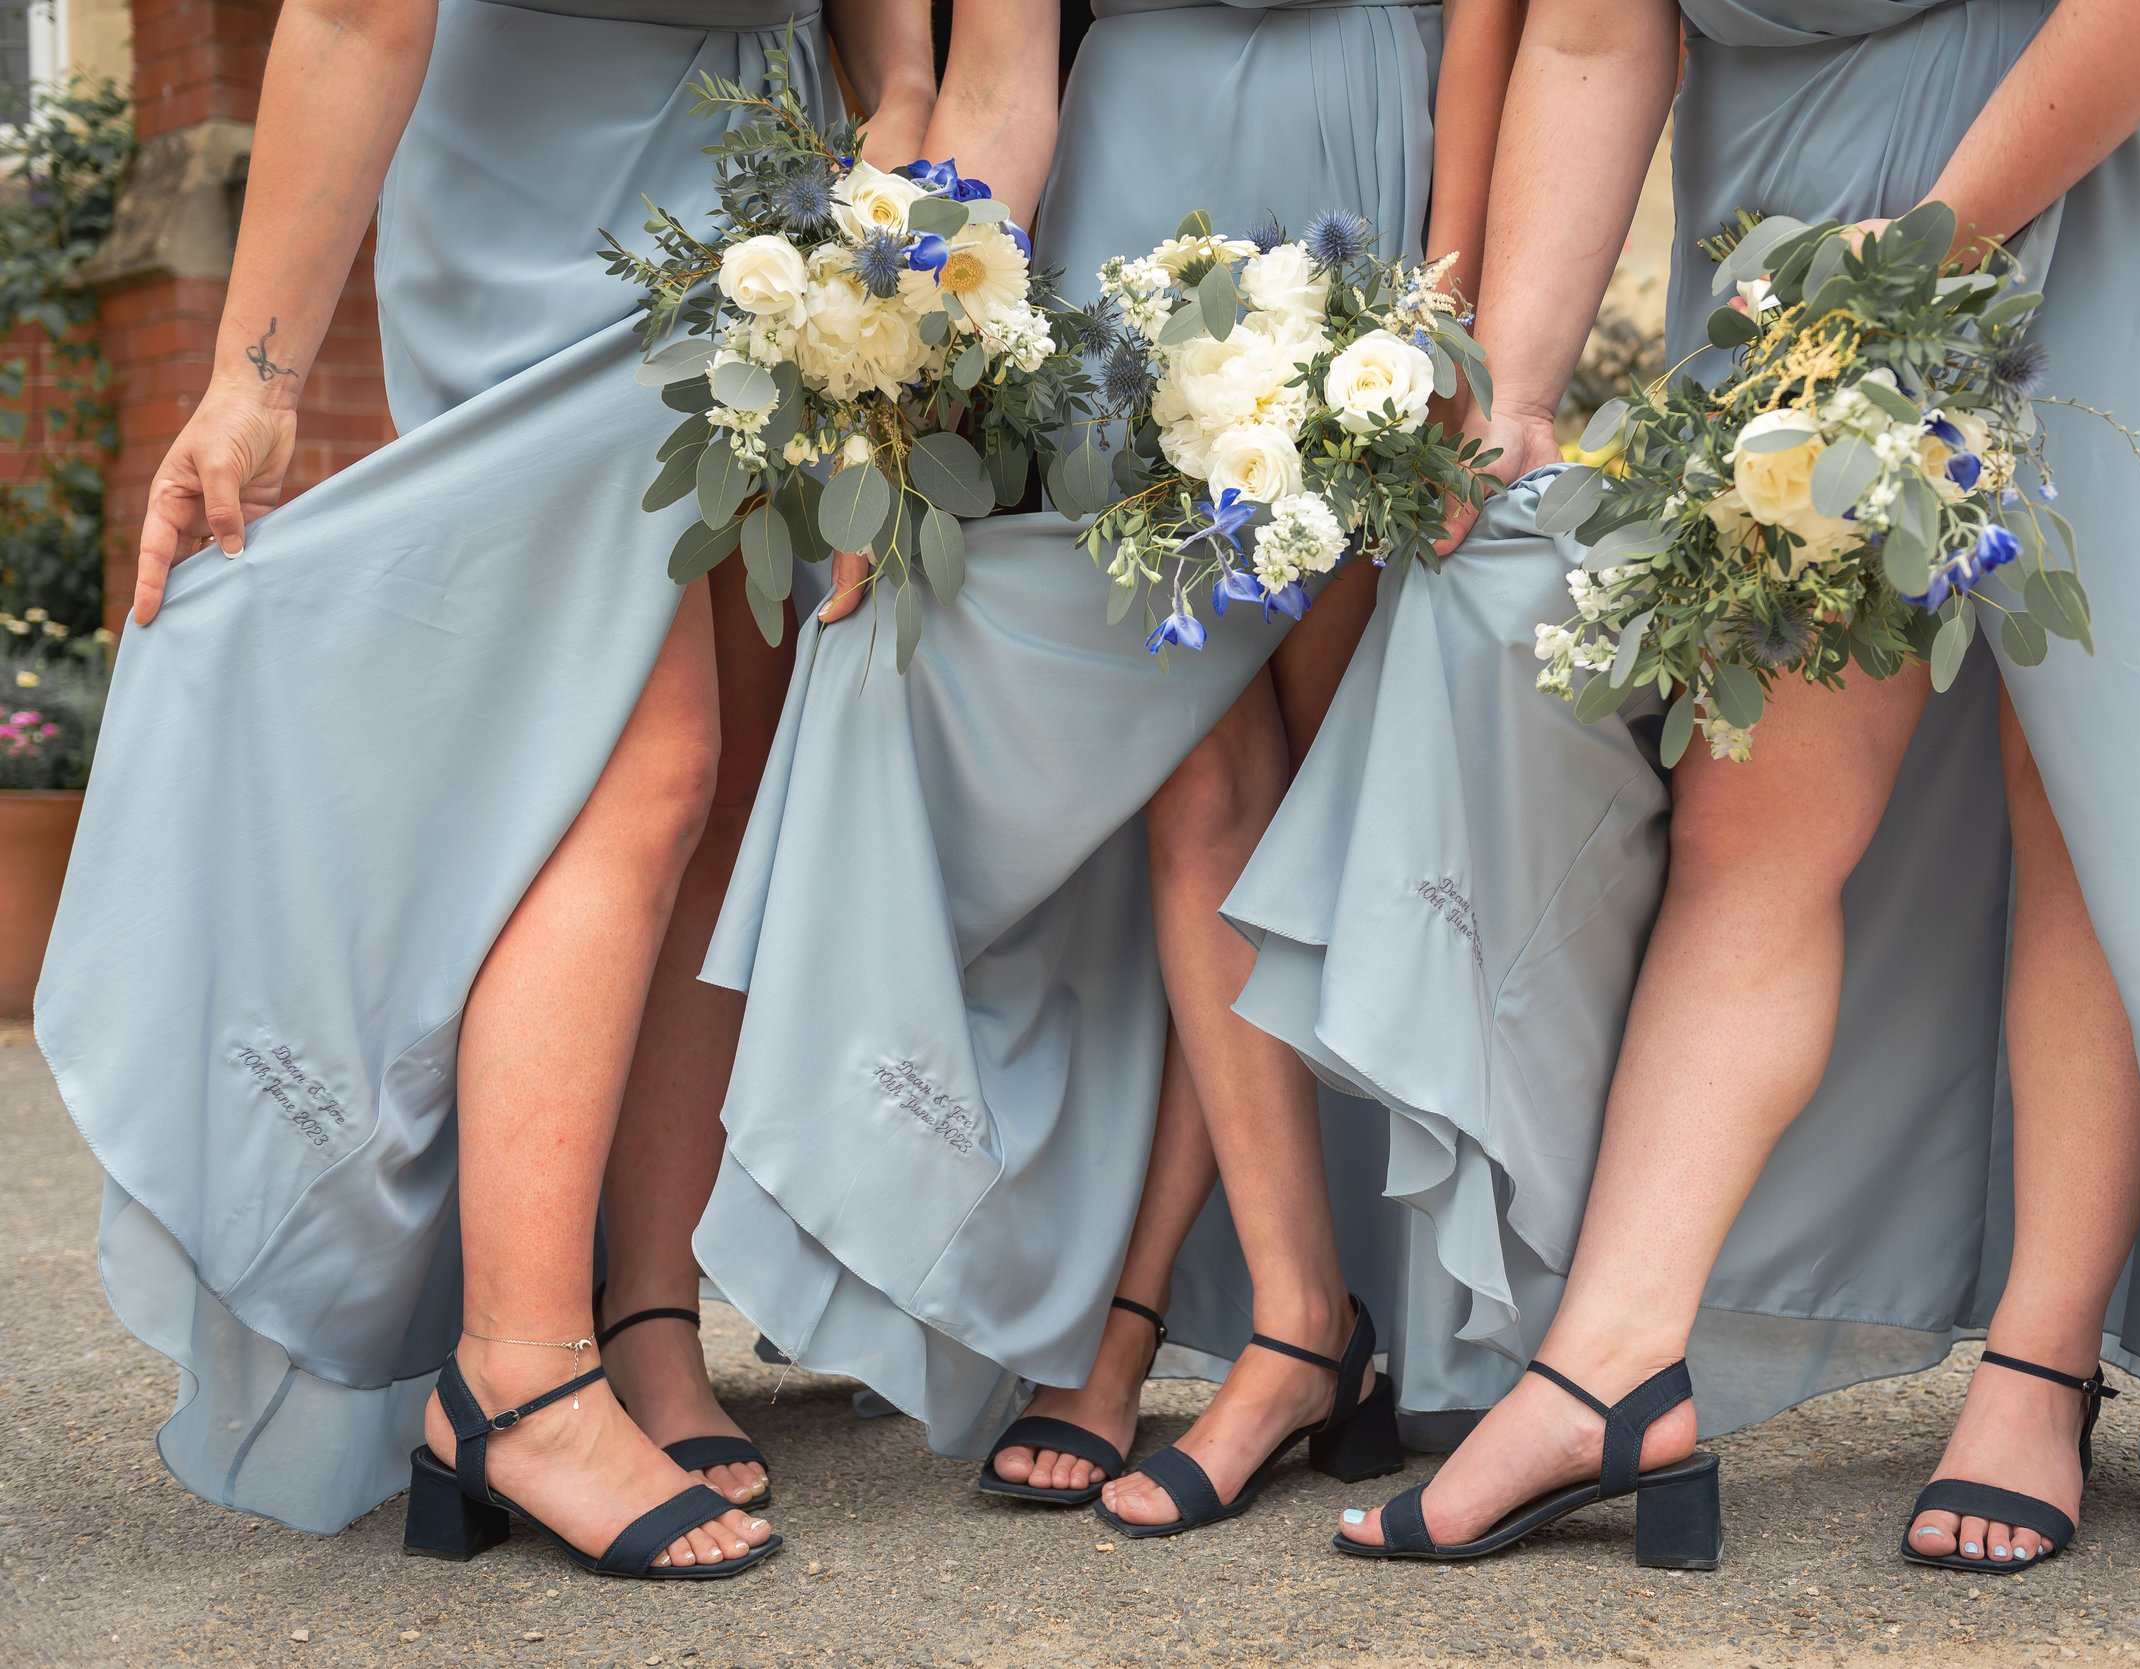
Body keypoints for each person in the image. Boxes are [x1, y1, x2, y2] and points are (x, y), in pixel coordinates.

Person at [1233, 0, 2140, 1609]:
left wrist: (1938, 244)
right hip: (1800, 207)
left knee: (2108, 776)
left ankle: (2041, 1355)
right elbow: (1597, 38)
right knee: (1753, 804)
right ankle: (1613, 1363)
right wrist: (1518, 387)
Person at [34, 0, 925, 1574]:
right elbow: (357, 10)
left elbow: (901, 59)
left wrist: (878, 332)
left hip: (773, 206)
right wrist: (254, 375)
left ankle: (645, 1322)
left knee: (720, 800)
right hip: (544, 197)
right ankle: (518, 1365)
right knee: (633, 770)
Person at [692, 0, 1520, 1534]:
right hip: (1126, 178)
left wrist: (1446, 292)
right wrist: (912, 371)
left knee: (1314, 795)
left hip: (1370, 159)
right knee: (1189, 768)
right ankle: (1260, 1321)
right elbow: (1002, 69)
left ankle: (1223, 1331)